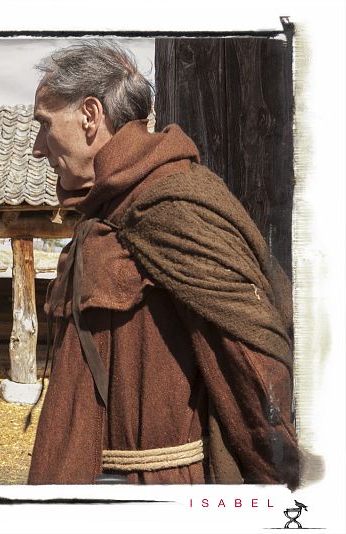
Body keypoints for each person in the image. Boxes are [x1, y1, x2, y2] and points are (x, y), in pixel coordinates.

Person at [27, 40, 299, 487]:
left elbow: (250, 361)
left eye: (44, 125)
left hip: (156, 496)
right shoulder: (107, 211)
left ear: (90, 116)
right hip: (92, 486)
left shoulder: (173, 205)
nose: (38, 147)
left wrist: (288, 498)